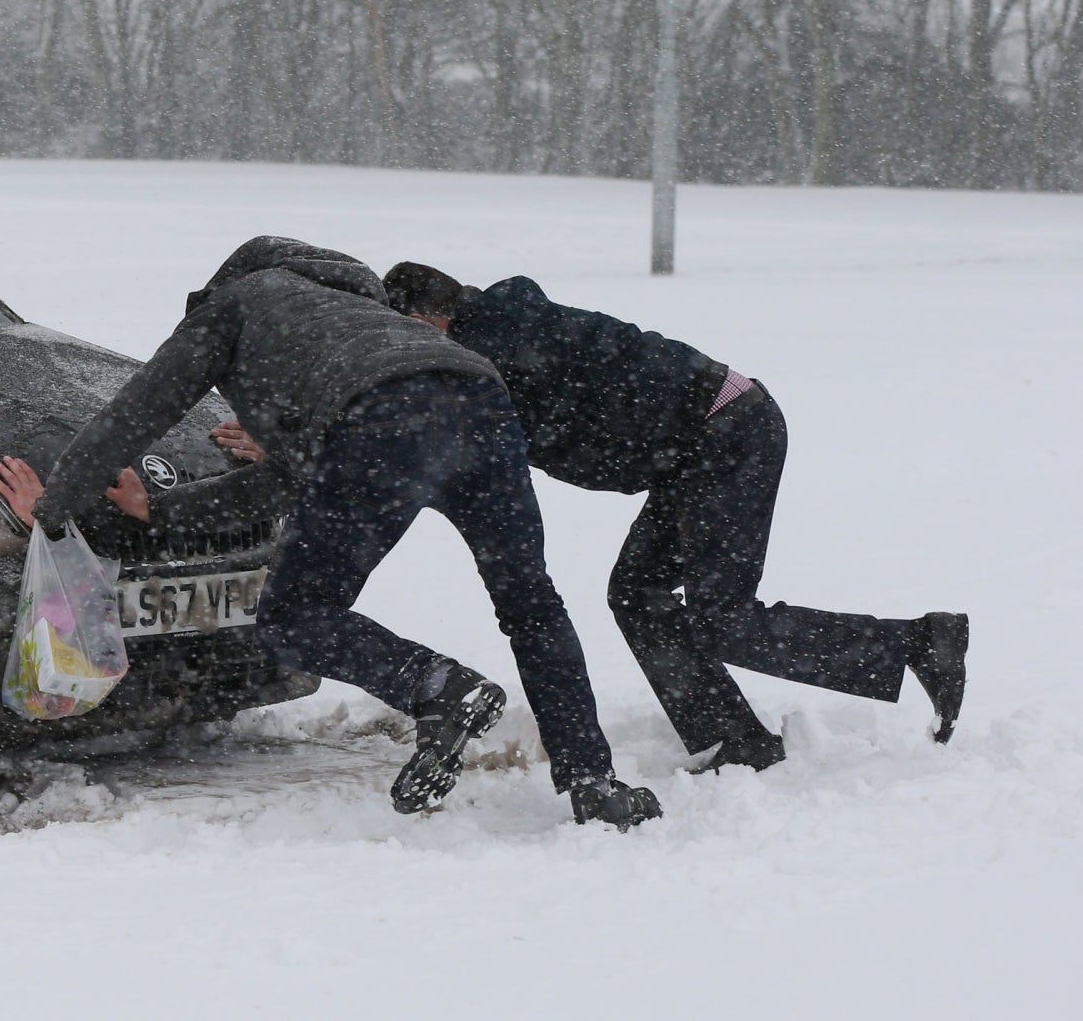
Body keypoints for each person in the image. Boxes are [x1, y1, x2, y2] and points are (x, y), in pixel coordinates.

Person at [9, 236, 663, 829]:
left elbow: (132, 415)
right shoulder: (353, 319)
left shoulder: (235, 305)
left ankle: (437, 687)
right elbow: (292, 476)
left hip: (382, 419)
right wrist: (163, 510)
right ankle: (592, 781)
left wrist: (55, 504)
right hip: (482, 404)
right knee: (530, 603)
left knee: (293, 617)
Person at [370, 262, 970, 769]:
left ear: (427, 320)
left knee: (722, 617)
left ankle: (917, 643)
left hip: (728, 429)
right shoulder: (498, 340)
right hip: (698, 446)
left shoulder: (502, 349)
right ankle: (733, 740)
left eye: (405, 336)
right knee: (637, 592)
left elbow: (492, 440)